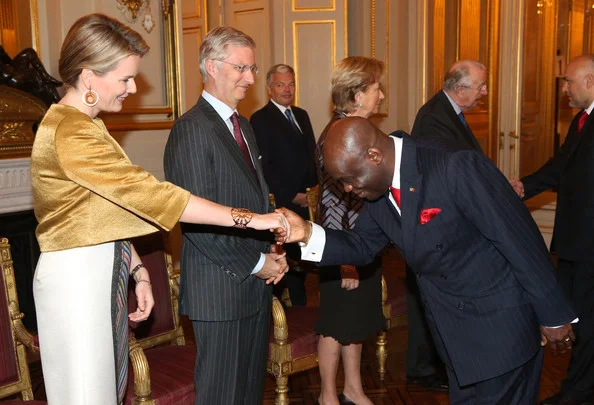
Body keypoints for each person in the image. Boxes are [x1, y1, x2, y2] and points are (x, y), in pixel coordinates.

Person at [30, 14, 288, 405]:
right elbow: (155, 196)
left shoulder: (87, 126)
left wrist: (137, 271)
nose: (133, 89)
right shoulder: (70, 130)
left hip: (98, 269)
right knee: (87, 395)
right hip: (77, 280)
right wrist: (255, 219)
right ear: (88, 77)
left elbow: (100, 212)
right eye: (124, 79)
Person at [276, 117, 577, 405]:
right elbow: (361, 244)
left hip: (502, 331)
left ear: (374, 155)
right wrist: (306, 233)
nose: (348, 189)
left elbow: (518, 239)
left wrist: (554, 315)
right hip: (455, 339)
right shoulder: (377, 192)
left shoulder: (454, 165)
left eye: (350, 179)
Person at [163, 26, 287, 405]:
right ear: (212, 66)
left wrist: (274, 253)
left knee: (249, 394)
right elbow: (197, 221)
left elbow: (254, 202)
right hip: (220, 290)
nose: (251, 79)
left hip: (253, 287)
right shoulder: (191, 130)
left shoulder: (242, 126)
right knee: (221, 396)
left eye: (252, 69)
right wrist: (257, 263)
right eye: (242, 68)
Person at [511, 54, 594, 405]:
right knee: (575, 315)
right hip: (577, 240)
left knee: (588, 323)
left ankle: (576, 394)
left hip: (592, 242)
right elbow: (560, 167)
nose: (564, 90)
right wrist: (522, 186)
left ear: (590, 81)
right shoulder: (582, 119)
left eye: (568, 82)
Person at [403, 59, 488, 392]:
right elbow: (443, 175)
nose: (484, 92)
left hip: (446, 223)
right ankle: (422, 368)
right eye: (480, 86)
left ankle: (435, 362)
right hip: (435, 226)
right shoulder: (435, 117)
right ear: (460, 88)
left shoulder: (449, 111)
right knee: (428, 299)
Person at [314, 56, 386, 405]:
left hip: (360, 245)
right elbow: (331, 202)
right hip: (343, 248)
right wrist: (346, 260)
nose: (381, 95)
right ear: (358, 94)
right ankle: (327, 395)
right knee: (335, 323)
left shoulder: (358, 130)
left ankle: (353, 389)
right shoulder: (340, 135)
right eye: (376, 89)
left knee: (354, 323)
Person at [250, 63, 318, 306]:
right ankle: (282, 318)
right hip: (283, 204)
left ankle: (302, 311)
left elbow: (310, 155)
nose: (287, 89)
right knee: (284, 261)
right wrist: (291, 196)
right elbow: (264, 169)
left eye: (291, 84)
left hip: (308, 202)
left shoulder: (301, 115)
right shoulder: (260, 119)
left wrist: (314, 191)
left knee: (304, 262)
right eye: (280, 85)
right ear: (269, 89)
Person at [412, 60, 487, 151]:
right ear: (461, 91)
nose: (485, 92)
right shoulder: (433, 119)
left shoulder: (448, 108)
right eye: (481, 87)